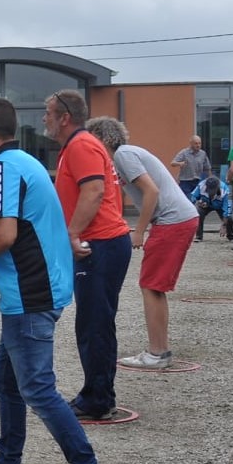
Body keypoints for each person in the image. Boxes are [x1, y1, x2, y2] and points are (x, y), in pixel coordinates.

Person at [0, 97, 122, 464]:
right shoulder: (20, 162)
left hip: (31, 294)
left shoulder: (2, 168)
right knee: (7, 380)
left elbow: (5, 234)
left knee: (37, 388)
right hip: (32, 291)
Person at [45, 90, 131, 422]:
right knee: (96, 323)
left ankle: (97, 400)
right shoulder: (79, 145)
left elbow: (94, 191)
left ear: (65, 117)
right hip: (102, 243)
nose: (44, 119)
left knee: (94, 325)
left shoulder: (81, 145)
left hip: (99, 245)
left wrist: (71, 234)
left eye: (49, 113)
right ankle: (98, 395)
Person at [87, 118, 198, 369]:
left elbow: (151, 191)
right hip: (176, 220)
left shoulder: (123, 155)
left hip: (171, 221)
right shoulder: (124, 156)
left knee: (151, 286)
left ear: (102, 138)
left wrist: (139, 231)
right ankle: (159, 350)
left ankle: (157, 354)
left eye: (90, 139)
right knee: (154, 287)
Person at [190, 176, 231, 242]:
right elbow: (193, 196)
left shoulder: (225, 190)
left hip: (220, 205)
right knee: (198, 213)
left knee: (229, 218)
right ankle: (198, 236)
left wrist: (224, 225)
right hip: (205, 203)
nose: (211, 192)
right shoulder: (201, 185)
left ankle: (230, 236)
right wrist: (198, 202)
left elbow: (227, 208)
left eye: (213, 189)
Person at [169, 135, 211, 199]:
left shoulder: (203, 154)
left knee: (197, 200)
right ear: (191, 143)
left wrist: (210, 179)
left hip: (198, 181)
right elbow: (172, 163)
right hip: (185, 182)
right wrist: (180, 163)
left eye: (199, 143)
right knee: (188, 199)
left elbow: (207, 168)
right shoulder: (184, 153)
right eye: (196, 143)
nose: (198, 145)